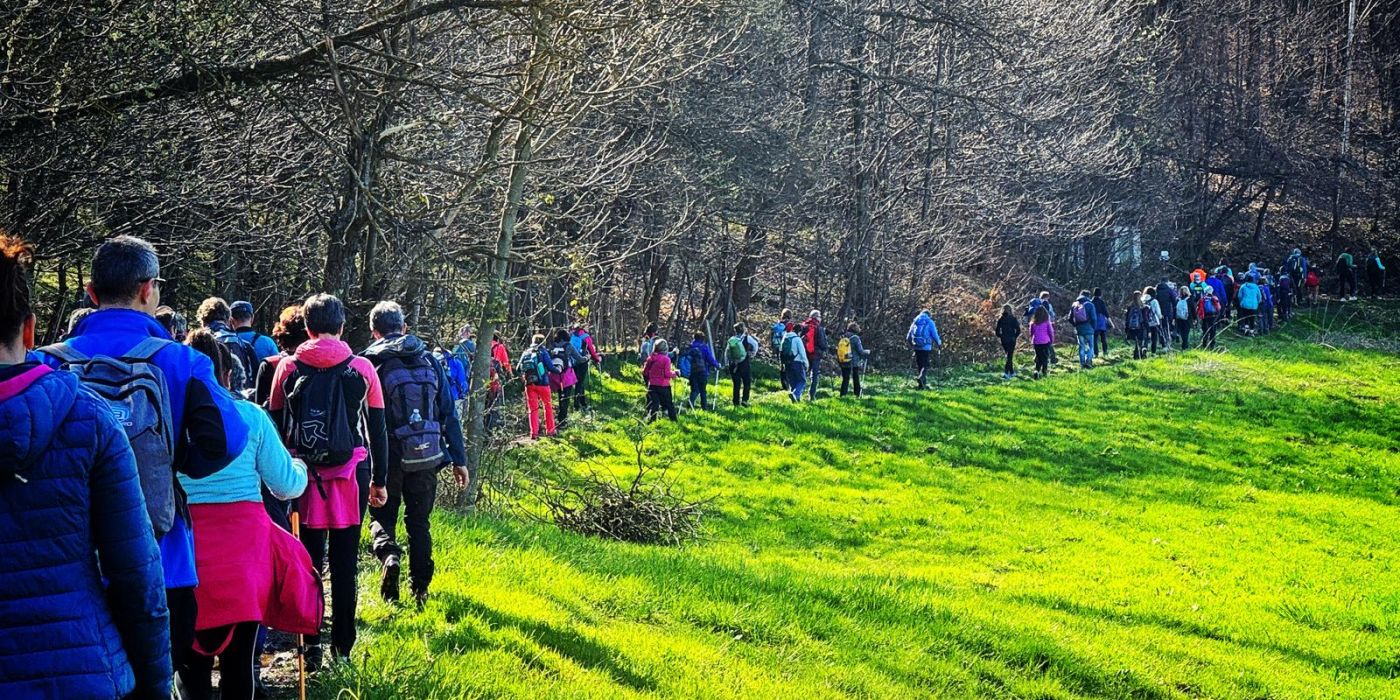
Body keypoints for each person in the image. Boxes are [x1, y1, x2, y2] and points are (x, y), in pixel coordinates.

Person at [39, 235, 248, 682]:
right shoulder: (181, 361)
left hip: (63, 563)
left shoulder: (46, 365)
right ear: (148, 289)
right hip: (162, 558)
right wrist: (179, 461)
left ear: (91, 294)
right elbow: (229, 440)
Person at [0, 234, 171, 700]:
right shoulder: (86, 417)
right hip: (79, 669)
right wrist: (154, 684)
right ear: (30, 330)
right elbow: (137, 575)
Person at [175, 330, 317, 700]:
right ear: (226, 375)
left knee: (190, 670)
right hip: (244, 555)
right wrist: (299, 467)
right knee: (240, 668)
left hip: (185, 552)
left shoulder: (168, 422)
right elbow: (286, 486)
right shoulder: (250, 417)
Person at [267, 293, 389, 665]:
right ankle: (343, 649)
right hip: (351, 476)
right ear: (341, 327)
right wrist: (379, 481)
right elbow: (377, 429)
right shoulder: (363, 368)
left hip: (303, 478)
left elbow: (274, 424)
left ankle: (311, 646)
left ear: (306, 326)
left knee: (309, 564)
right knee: (345, 564)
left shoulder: (287, 367)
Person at [363, 302, 468, 609]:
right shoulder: (430, 361)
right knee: (419, 522)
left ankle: (389, 554)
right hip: (427, 457)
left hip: (389, 457)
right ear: (404, 328)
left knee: (382, 516)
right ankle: (420, 590)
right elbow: (448, 413)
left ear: (374, 332)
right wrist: (458, 460)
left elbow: (363, 419)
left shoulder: (371, 364)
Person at [197, 297, 257, 395]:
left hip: (207, 399)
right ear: (228, 319)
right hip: (240, 400)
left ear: (203, 321)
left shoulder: (198, 344)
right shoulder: (244, 345)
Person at [254, 304, 308, 407]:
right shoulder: (319, 364)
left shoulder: (269, 365)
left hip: (276, 422)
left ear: (281, 333)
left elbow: (259, 406)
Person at [520, 334, 560, 439]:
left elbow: (518, 368)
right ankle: (550, 431)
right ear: (543, 342)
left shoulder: (526, 352)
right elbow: (551, 367)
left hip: (529, 384)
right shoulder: (543, 352)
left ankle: (534, 433)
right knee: (547, 407)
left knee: (532, 409)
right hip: (543, 384)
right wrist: (559, 369)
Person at [548, 329, 585, 427]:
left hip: (554, 374)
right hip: (566, 375)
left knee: (560, 396)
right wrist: (587, 357)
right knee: (566, 397)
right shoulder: (569, 346)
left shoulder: (552, 345)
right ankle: (562, 420)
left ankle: (557, 419)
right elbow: (579, 359)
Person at [682, 331, 721, 410]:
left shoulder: (690, 347)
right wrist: (717, 365)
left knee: (694, 389)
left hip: (692, 372)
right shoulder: (704, 347)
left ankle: (690, 405)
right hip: (703, 371)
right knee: (703, 390)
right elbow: (710, 359)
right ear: (703, 339)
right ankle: (704, 408)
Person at [642, 339, 678, 421]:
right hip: (664, 386)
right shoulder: (666, 360)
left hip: (652, 386)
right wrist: (675, 373)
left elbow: (645, 372)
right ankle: (674, 420)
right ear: (665, 349)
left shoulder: (650, 358)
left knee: (655, 404)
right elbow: (667, 374)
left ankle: (652, 420)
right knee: (669, 404)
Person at [725, 323, 760, 407]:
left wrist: (727, 363)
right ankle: (744, 400)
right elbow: (756, 345)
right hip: (744, 363)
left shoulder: (732, 339)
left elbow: (726, 352)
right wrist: (752, 355)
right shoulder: (748, 338)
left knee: (736, 384)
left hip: (733, 364)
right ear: (743, 329)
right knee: (747, 381)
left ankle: (736, 402)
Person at [569, 323, 603, 410]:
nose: (588, 328)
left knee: (579, 382)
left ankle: (582, 402)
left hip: (573, 361)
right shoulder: (585, 336)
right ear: (583, 328)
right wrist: (597, 359)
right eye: (587, 327)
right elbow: (591, 350)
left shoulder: (572, 335)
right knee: (580, 383)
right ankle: (577, 405)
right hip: (582, 361)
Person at [906, 309, 942, 389]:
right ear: (929, 315)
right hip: (925, 346)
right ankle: (921, 378)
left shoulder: (915, 321)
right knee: (925, 364)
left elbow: (908, 336)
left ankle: (921, 385)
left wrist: (912, 344)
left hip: (916, 346)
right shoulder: (930, 322)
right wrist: (939, 343)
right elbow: (934, 335)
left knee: (920, 365)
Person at [485, 333, 513, 431]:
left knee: (485, 402)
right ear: (497, 339)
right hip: (495, 378)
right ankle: (495, 425)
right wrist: (509, 374)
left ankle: (485, 424)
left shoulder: (483, 346)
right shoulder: (499, 347)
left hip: (484, 379)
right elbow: (505, 362)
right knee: (496, 400)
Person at [837, 322, 872, 396]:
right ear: (855, 329)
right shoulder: (855, 338)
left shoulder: (843, 336)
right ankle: (857, 393)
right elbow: (860, 351)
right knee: (855, 378)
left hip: (843, 360)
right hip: (853, 362)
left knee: (845, 378)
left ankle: (843, 394)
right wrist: (867, 352)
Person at [801, 310, 829, 400]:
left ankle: (799, 392)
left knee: (804, 372)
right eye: (819, 316)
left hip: (805, 353)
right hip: (816, 355)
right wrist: (825, 347)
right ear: (816, 317)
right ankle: (811, 395)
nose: (820, 318)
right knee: (814, 375)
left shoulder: (804, 326)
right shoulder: (819, 328)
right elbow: (822, 344)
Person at [779, 322, 809, 401]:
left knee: (793, 381)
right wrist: (806, 364)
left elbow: (780, 350)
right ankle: (795, 394)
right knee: (802, 380)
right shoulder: (797, 339)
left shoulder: (785, 337)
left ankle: (796, 400)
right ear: (799, 331)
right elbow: (802, 353)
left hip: (787, 362)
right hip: (797, 362)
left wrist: (781, 363)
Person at [1069, 290, 1098, 368]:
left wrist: (1075, 325)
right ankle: (1088, 361)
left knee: (1081, 346)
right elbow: (1094, 318)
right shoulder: (1090, 305)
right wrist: (1093, 327)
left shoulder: (1075, 305)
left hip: (1079, 329)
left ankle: (1082, 363)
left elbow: (1070, 318)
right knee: (1091, 346)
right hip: (1089, 329)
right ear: (1088, 296)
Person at [994, 304, 1020, 379]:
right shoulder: (1013, 318)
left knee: (1008, 355)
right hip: (1012, 338)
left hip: (1004, 339)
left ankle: (1011, 372)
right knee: (1009, 356)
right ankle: (1006, 372)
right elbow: (1018, 330)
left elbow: (997, 331)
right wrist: (1015, 336)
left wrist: (1001, 336)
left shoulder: (1001, 319)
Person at [1028, 305, 1054, 379]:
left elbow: (1031, 333)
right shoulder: (1047, 322)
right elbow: (1050, 332)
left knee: (1038, 357)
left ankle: (1036, 371)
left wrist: (1032, 339)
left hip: (1036, 342)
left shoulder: (1033, 323)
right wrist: (1051, 340)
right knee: (1045, 357)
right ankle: (1044, 371)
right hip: (1045, 341)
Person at [1124, 294, 1147, 359]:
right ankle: (1138, 355)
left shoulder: (1130, 306)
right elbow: (1144, 318)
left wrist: (1127, 328)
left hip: (1131, 327)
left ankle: (1137, 355)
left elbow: (1127, 318)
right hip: (1140, 326)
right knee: (1140, 341)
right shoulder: (1142, 307)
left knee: (1136, 342)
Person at [1141, 287, 1162, 354]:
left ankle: (1144, 348)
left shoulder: (1142, 300)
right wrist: (1161, 317)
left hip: (1144, 322)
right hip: (1154, 322)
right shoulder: (1154, 301)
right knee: (1154, 338)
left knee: (1145, 337)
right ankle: (1153, 352)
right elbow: (1158, 313)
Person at [1091, 288, 1111, 357]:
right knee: (1103, 338)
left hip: (1094, 323)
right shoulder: (1101, 302)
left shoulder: (1091, 302)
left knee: (1094, 339)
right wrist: (1111, 322)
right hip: (1101, 322)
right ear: (1100, 294)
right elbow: (1106, 313)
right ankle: (1105, 351)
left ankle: (1096, 353)